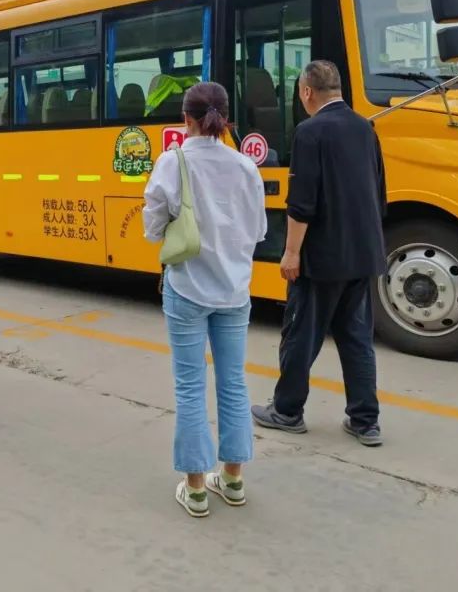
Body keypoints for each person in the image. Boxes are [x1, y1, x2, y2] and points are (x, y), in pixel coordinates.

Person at [144, 82, 267, 518]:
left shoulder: (172, 161)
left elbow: (152, 228)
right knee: (233, 383)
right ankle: (232, 480)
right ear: (225, 118)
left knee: (190, 385)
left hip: (187, 287)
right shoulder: (245, 166)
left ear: (186, 118)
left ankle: (195, 488)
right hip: (234, 290)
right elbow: (258, 231)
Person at [252, 60, 385, 446]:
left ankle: (287, 410)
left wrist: (291, 252)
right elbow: (379, 190)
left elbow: (301, 203)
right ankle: (365, 421)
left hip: (322, 257)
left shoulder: (309, 132)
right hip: (362, 254)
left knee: (300, 335)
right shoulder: (365, 127)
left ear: (307, 92)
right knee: (357, 339)